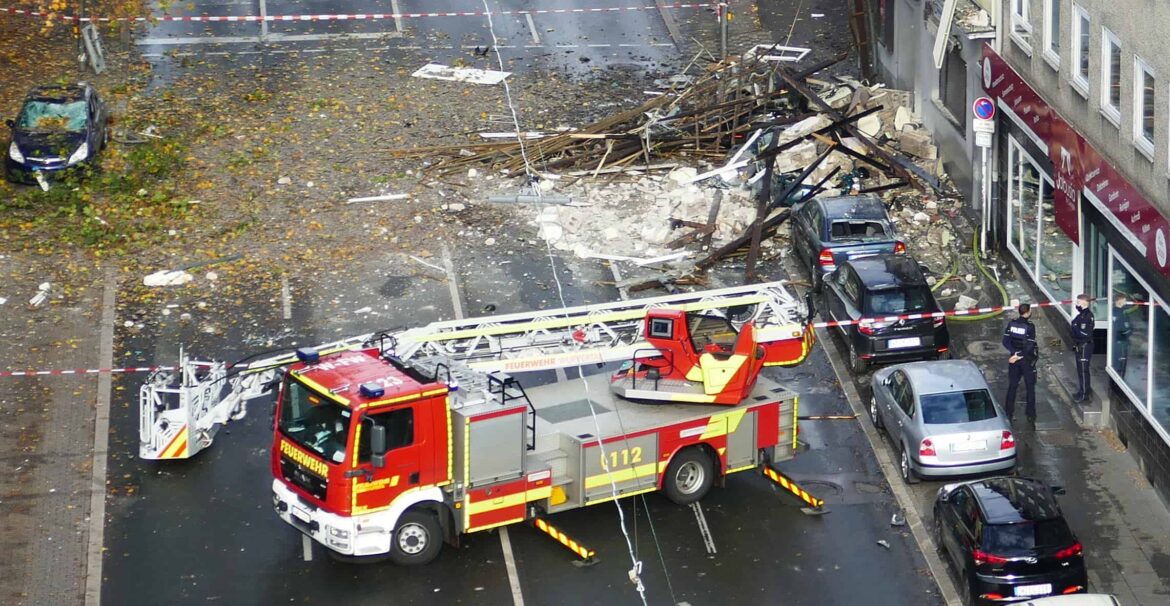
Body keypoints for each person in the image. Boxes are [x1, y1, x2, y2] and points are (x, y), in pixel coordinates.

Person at [1002, 303, 1038, 426]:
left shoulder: (1011, 323)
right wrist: (1019, 354)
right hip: (1026, 361)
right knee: (1030, 387)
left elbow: (1005, 341)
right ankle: (1030, 414)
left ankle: (1008, 412)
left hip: (1013, 360)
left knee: (1012, 386)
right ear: (1027, 312)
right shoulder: (1030, 327)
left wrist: (1014, 353)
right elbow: (1029, 345)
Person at [1071, 294, 1095, 401]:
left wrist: (1075, 328)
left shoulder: (1087, 316)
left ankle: (1085, 394)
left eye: (1078, 302)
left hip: (1085, 346)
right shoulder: (1080, 315)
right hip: (1079, 345)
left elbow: (1085, 334)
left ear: (1084, 303)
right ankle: (1082, 390)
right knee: (1080, 370)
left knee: (1083, 371)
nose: (1076, 304)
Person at [1113, 293, 1133, 377]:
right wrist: (1130, 332)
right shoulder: (1123, 314)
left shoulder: (1112, 311)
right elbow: (1126, 329)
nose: (1125, 302)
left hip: (1114, 340)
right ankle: (1119, 382)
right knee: (1121, 365)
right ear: (1119, 301)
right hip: (1121, 341)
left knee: (1115, 362)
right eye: (1124, 300)